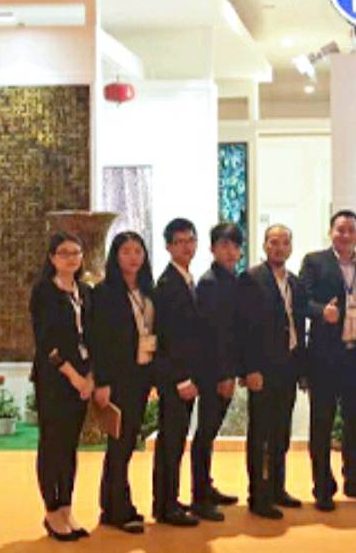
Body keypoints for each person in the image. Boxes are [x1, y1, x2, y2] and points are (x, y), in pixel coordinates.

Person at [300, 210, 356, 511]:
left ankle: (355, 481)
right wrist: (322, 311)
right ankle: (323, 487)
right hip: (324, 357)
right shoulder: (315, 262)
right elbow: (302, 301)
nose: (345, 235)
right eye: (340, 229)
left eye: (351, 230)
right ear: (331, 232)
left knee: (355, 422)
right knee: (321, 423)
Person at [238, 224, 308, 519]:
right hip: (262, 369)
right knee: (261, 434)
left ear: (290, 247)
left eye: (284, 243)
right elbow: (244, 327)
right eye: (273, 242)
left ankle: (278, 488)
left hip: (289, 365)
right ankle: (259, 495)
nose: (279, 248)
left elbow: (300, 321)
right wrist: (249, 369)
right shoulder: (252, 278)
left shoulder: (295, 282)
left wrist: (302, 368)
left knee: (281, 431)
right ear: (265, 246)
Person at [88, 231, 156, 533]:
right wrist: (102, 382)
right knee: (119, 444)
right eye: (126, 251)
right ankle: (116, 509)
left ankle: (116, 505)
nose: (133, 257)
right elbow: (98, 340)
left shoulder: (147, 290)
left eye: (138, 251)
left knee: (128, 442)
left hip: (142, 375)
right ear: (115, 256)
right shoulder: (104, 292)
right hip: (117, 379)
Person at [29, 232, 94, 541]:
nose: (71, 258)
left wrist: (90, 376)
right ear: (52, 258)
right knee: (52, 444)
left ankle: (67, 507)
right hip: (54, 379)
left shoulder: (86, 291)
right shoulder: (44, 292)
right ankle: (51, 510)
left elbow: (94, 337)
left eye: (76, 253)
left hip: (83, 377)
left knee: (70, 446)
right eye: (64, 253)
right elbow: (46, 343)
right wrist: (74, 376)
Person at [188, 222, 243, 522]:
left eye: (234, 246)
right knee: (205, 433)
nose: (230, 251)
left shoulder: (232, 280)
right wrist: (224, 375)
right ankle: (199, 497)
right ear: (212, 249)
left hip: (225, 368)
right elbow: (214, 334)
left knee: (209, 432)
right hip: (212, 371)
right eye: (224, 245)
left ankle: (206, 486)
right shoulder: (210, 283)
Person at [152, 218, 202, 527]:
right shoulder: (168, 284)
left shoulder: (186, 278)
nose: (186, 246)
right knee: (170, 442)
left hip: (186, 375)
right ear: (168, 246)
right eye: (180, 241)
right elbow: (168, 337)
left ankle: (169, 498)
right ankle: (165, 506)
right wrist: (182, 379)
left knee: (176, 440)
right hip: (175, 378)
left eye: (190, 240)